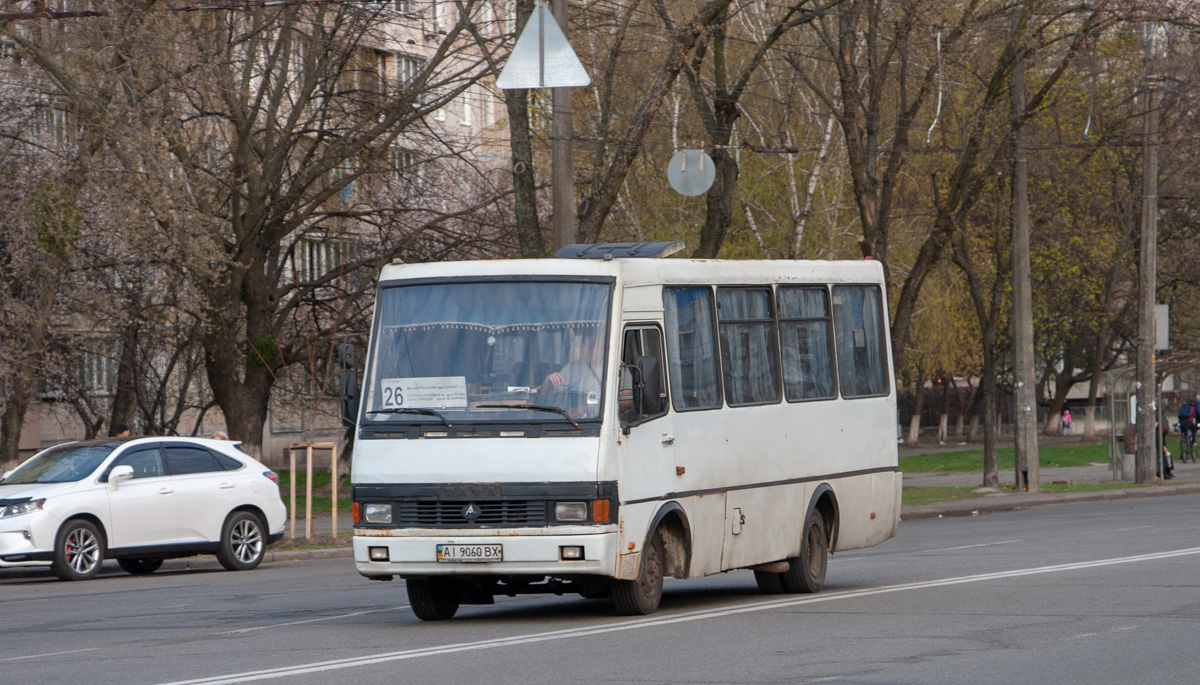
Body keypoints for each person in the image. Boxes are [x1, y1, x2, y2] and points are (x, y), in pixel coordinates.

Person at [540, 333, 604, 418]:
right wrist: (548, 381)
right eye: (586, 344)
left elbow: (626, 395)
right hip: (576, 420)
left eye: (593, 344)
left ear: (604, 347)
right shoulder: (572, 368)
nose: (589, 349)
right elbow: (548, 397)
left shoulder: (612, 367)